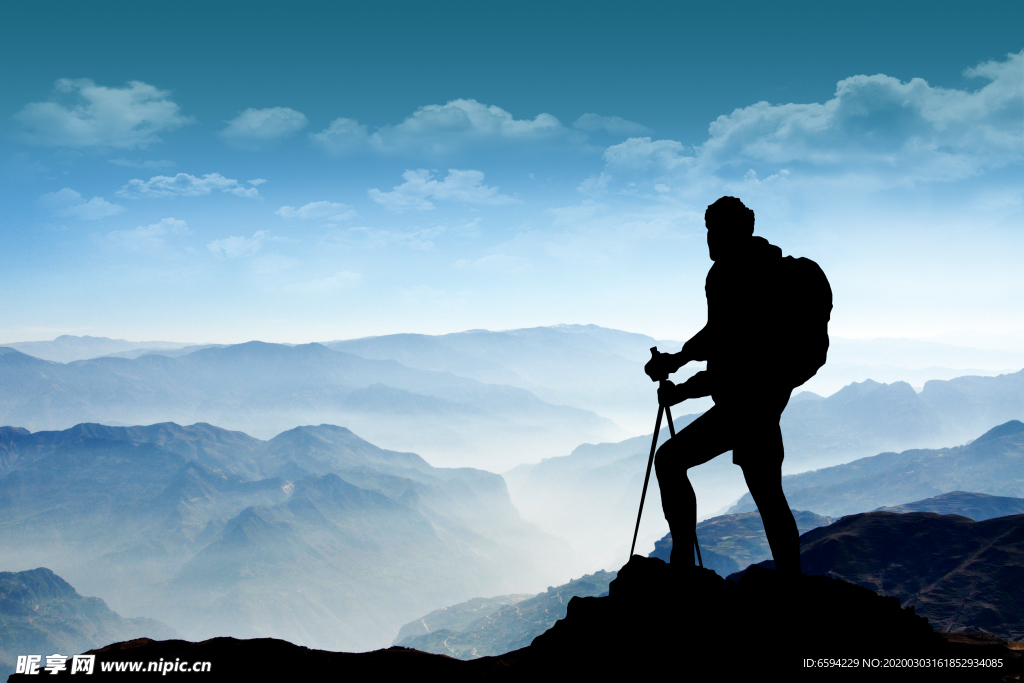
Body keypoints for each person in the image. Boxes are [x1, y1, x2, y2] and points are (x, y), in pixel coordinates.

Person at [645, 196, 824, 575]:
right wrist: (681, 378)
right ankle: (792, 581)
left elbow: (725, 346)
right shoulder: (763, 272)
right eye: (708, 230)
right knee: (769, 496)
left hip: (744, 405)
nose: (709, 239)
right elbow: (726, 352)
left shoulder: (732, 276)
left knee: (670, 461)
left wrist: (677, 367)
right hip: (763, 402)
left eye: (714, 230)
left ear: (734, 232)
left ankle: (681, 563)